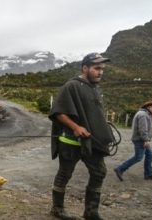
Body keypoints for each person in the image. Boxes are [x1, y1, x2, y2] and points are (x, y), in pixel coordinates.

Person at [49, 53, 115, 220]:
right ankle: (57, 209)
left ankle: (91, 212)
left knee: (99, 172)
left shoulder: (94, 88)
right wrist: (76, 127)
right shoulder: (71, 86)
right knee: (65, 173)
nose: (100, 72)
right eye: (97, 68)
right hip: (70, 141)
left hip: (91, 142)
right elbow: (58, 112)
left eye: (102, 69)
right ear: (85, 68)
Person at [114, 101, 152, 181]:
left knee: (150, 155)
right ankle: (120, 169)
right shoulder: (143, 115)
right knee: (138, 157)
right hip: (140, 140)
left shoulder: (147, 114)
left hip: (142, 139)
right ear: (149, 107)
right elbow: (143, 129)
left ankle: (148, 174)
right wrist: (146, 140)